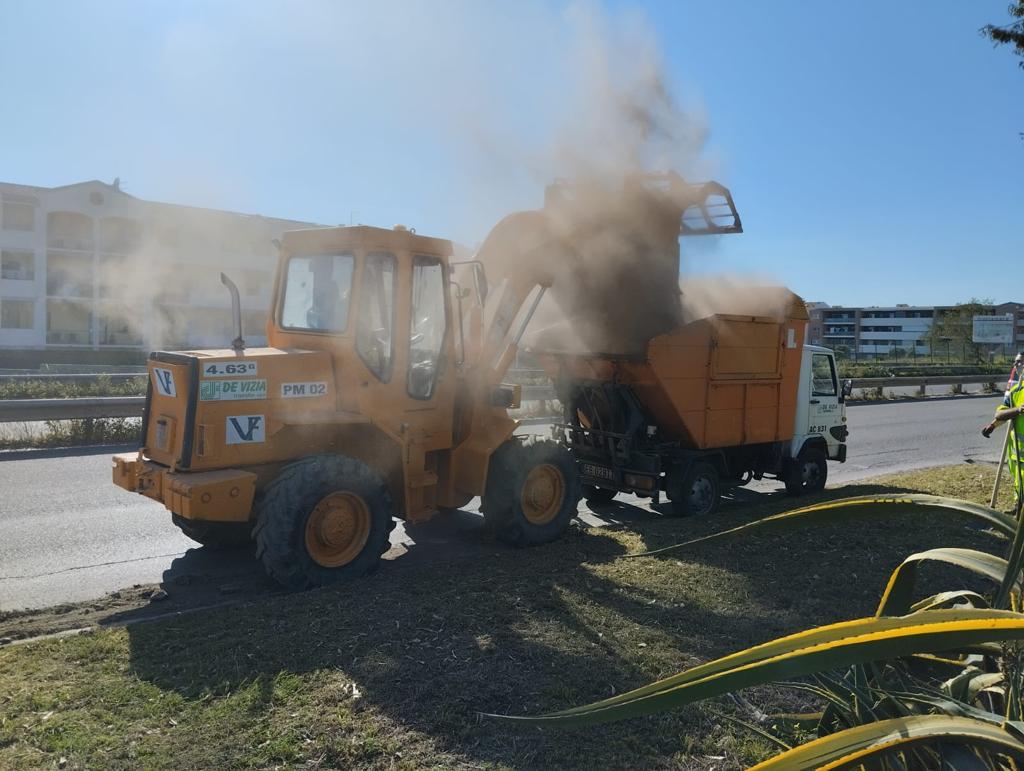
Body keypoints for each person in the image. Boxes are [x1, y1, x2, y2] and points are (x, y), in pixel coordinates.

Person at [982, 356, 1024, 507]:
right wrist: (992, 426)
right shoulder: (1016, 391)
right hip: (1017, 452)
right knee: (1018, 483)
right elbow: (1003, 412)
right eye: (1015, 362)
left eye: (1020, 361)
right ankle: (1018, 507)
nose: (1016, 364)